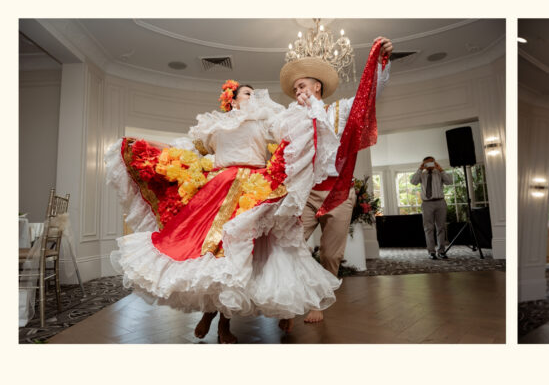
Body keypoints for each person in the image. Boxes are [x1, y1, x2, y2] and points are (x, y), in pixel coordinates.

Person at [105, 81, 342, 343]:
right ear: (233, 99)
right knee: (210, 253)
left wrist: (306, 110)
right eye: (248, 93)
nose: (254, 97)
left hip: (251, 189)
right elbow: (186, 149)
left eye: (254, 93)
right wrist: (147, 143)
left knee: (241, 255)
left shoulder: (264, 120)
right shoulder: (212, 125)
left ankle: (228, 323)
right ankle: (210, 313)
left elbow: (289, 132)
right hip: (217, 189)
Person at [282, 37, 393, 324]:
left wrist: (380, 63)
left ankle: (319, 303)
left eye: (302, 86)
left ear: (317, 87)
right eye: (295, 90)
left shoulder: (339, 111)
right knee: (288, 245)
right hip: (305, 195)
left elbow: (370, 95)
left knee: (331, 256)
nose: (297, 92)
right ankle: (285, 303)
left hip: (338, 194)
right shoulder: (293, 119)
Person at [410, 156, 454, 260]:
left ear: (434, 163)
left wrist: (441, 169)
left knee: (441, 228)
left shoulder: (439, 173)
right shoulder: (422, 174)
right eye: (426, 163)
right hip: (427, 204)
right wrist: (420, 169)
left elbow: (449, 181)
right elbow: (413, 182)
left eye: (431, 163)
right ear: (423, 164)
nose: (429, 165)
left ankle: (441, 251)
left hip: (440, 203)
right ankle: (431, 252)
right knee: (428, 228)